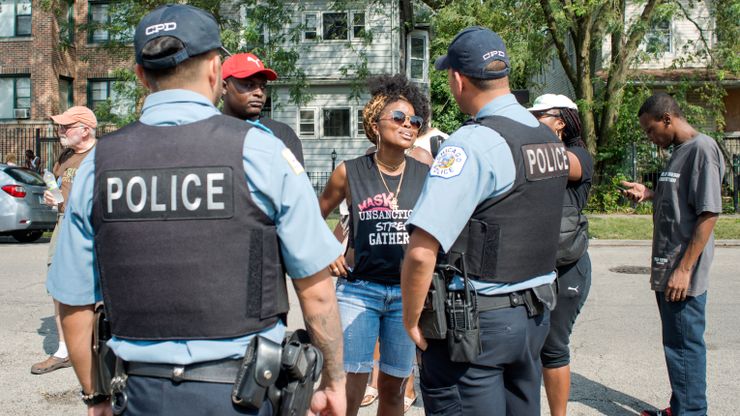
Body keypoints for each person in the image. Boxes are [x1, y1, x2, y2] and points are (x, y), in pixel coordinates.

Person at [46, 5, 346, 415]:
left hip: (138, 393)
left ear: (139, 75)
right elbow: (316, 292)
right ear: (215, 69)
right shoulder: (261, 152)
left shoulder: (99, 165)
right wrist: (334, 381)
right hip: (243, 394)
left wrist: (95, 396)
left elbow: (74, 304)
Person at [400, 26, 569, 415]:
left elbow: (423, 251)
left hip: (478, 327)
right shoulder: (545, 137)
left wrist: (411, 320)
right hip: (535, 316)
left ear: (458, 79)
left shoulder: (472, 144)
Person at [318, 74, 430, 416]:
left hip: (406, 295)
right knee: (350, 389)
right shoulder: (349, 172)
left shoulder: (425, 175)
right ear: (375, 123)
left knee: (394, 390)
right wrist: (326, 251)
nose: (408, 125)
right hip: (358, 291)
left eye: (415, 121)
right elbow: (311, 217)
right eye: (398, 118)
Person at [622, 92, 723, 416]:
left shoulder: (702, 149)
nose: (650, 137)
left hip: (682, 272)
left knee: (685, 348)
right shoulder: (679, 151)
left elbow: (708, 214)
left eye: (651, 130)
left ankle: (691, 411)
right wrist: (650, 193)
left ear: (667, 119)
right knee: (676, 346)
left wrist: (684, 269)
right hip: (668, 268)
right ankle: (680, 407)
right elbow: (683, 201)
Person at [528, 94, 593, 416]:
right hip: (531, 262)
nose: (533, 118)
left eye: (541, 114)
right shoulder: (530, 150)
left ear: (561, 122)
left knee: (553, 347)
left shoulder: (578, 155)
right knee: (525, 345)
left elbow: (558, 164)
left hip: (568, 265)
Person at [30, 106, 98, 375]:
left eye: (66, 127)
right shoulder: (66, 156)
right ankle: (63, 350)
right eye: (60, 127)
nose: (60, 132)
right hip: (64, 224)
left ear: (85, 129)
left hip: (92, 226)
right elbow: (58, 188)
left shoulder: (101, 155)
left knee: (98, 285)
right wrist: (53, 197)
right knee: (58, 285)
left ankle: (98, 347)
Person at [221, 52, 304, 164]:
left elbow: (296, 180)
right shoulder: (206, 131)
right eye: (249, 85)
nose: (259, 93)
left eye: (263, 86)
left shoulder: (282, 134)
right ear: (224, 87)